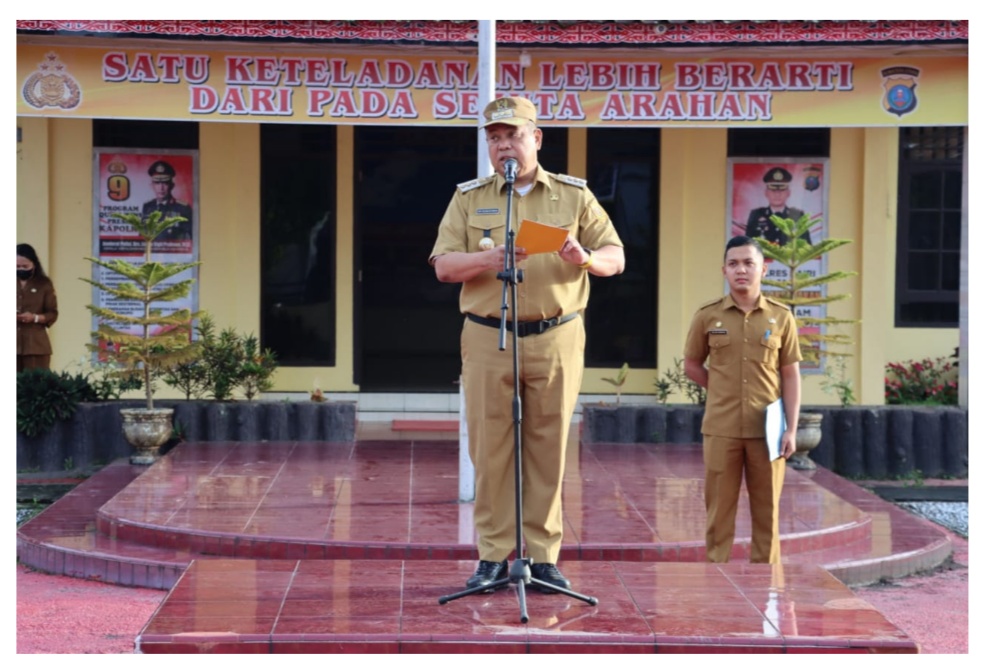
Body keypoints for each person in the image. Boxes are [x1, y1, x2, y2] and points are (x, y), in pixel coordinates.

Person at [429, 96, 625, 593]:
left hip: (556, 335)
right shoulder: (469, 198)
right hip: (487, 334)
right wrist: (488, 259)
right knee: (490, 447)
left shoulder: (573, 196)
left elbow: (615, 256)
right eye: (494, 138)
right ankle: (494, 555)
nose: (502, 146)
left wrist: (585, 258)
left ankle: (541, 556)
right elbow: (444, 265)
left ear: (535, 138)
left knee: (548, 446)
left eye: (512, 135)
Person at [683, 236, 802, 564]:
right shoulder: (708, 316)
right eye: (734, 264)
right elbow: (691, 365)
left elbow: (790, 374)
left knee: (768, 511)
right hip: (721, 428)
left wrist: (791, 429)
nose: (741, 270)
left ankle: (765, 580)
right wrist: (720, 389)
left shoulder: (781, 318)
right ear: (724, 270)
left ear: (763, 269)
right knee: (719, 510)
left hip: (769, 430)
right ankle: (717, 576)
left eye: (749, 263)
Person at [16, 243, 59, 372]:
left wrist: (34, 318)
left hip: (36, 346)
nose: (21, 269)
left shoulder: (44, 284)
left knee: (36, 385)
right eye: (17, 266)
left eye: (25, 266)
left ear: (34, 264)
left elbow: (52, 313)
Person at [744, 167, 812, 246]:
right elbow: (748, 247)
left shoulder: (797, 215)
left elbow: (807, 248)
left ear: (788, 193)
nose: (777, 194)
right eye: (773, 190)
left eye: (782, 190)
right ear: (766, 193)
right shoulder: (756, 215)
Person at [141, 160, 193, 246]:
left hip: (175, 255)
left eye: (165, 183)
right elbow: (143, 235)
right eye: (157, 183)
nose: (161, 188)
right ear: (152, 186)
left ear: (172, 185)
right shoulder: (148, 207)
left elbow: (190, 238)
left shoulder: (183, 208)